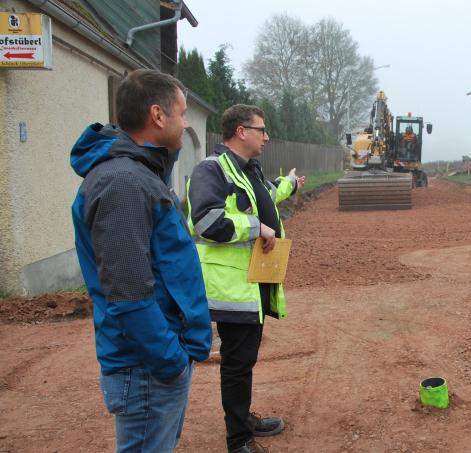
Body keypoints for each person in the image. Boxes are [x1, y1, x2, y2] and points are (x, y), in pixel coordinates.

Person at [70, 69, 212, 451]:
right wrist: (170, 362)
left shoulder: (138, 175)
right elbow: (129, 292)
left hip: (153, 361)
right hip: (147, 366)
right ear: (158, 115)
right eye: (182, 114)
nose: (185, 124)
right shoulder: (124, 182)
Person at [187, 104, 305, 453]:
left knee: (245, 358)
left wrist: (290, 186)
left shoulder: (246, 170)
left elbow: (262, 197)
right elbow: (207, 222)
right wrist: (257, 228)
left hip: (250, 283)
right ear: (241, 131)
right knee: (237, 364)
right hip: (231, 288)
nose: (266, 136)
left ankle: (243, 420)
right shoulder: (212, 169)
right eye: (261, 129)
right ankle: (238, 440)